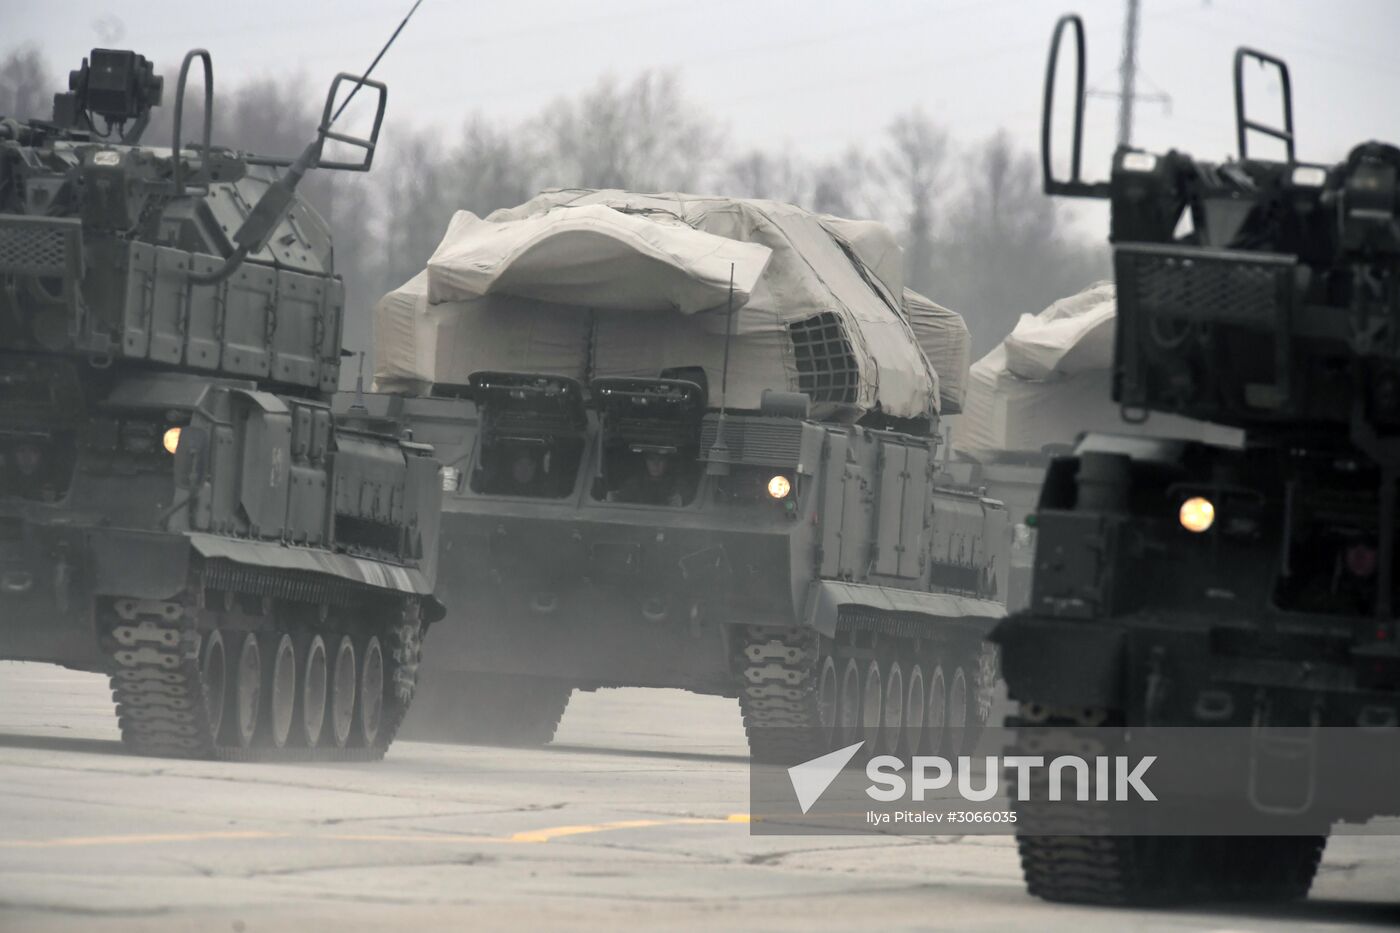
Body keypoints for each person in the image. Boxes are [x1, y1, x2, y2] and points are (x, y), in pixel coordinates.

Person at [613, 451, 681, 506]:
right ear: (646, 462)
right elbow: (619, 502)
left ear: (667, 462)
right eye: (651, 459)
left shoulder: (678, 483)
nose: (655, 464)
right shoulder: (633, 484)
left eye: (660, 459)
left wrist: (679, 500)